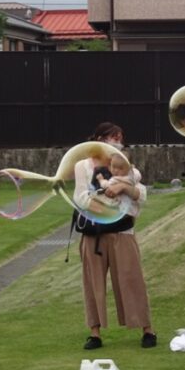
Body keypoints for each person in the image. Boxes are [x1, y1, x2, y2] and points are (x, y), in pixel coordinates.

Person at [73, 122, 156, 350]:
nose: (118, 142)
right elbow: (80, 198)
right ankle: (95, 332)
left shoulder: (123, 163)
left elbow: (141, 194)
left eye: (120, 137)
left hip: (122, 231)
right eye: (113, 137)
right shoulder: (83, 165)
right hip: (94, 234)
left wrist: (123, 189)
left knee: (132, 279)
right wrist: (103, 204)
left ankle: (147, 328)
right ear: (100, 139)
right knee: (93, 283)